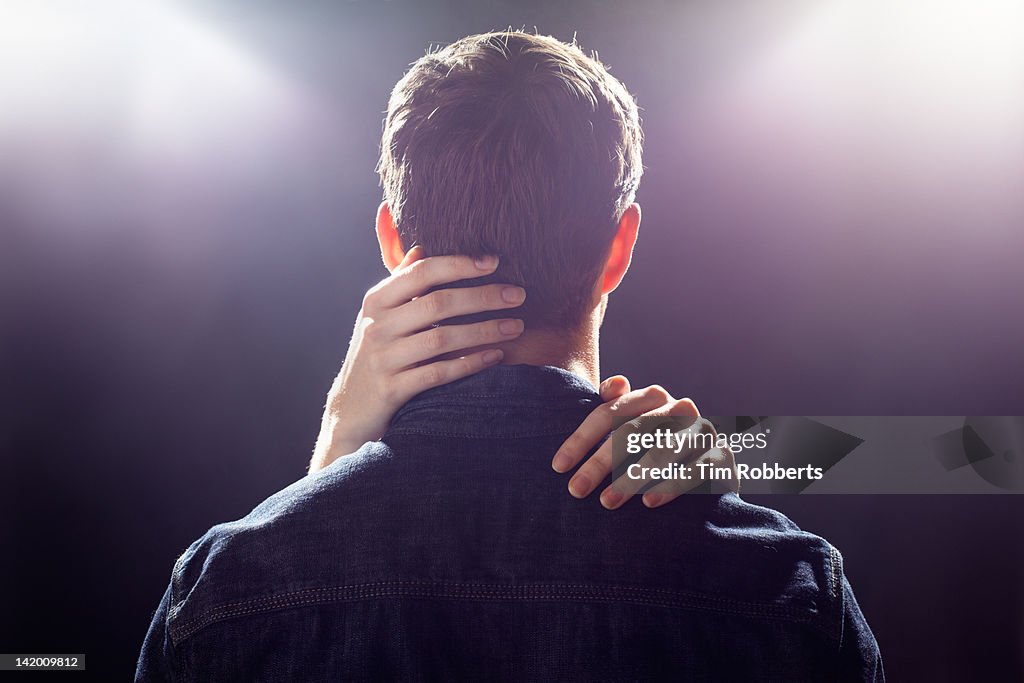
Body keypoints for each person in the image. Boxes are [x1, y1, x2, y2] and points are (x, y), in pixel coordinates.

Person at [136, 31, 883, 681]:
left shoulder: (225, 592)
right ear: (619, 245)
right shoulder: (791, 590)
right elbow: (974, 455)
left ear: (395, 243)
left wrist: (332, 462)